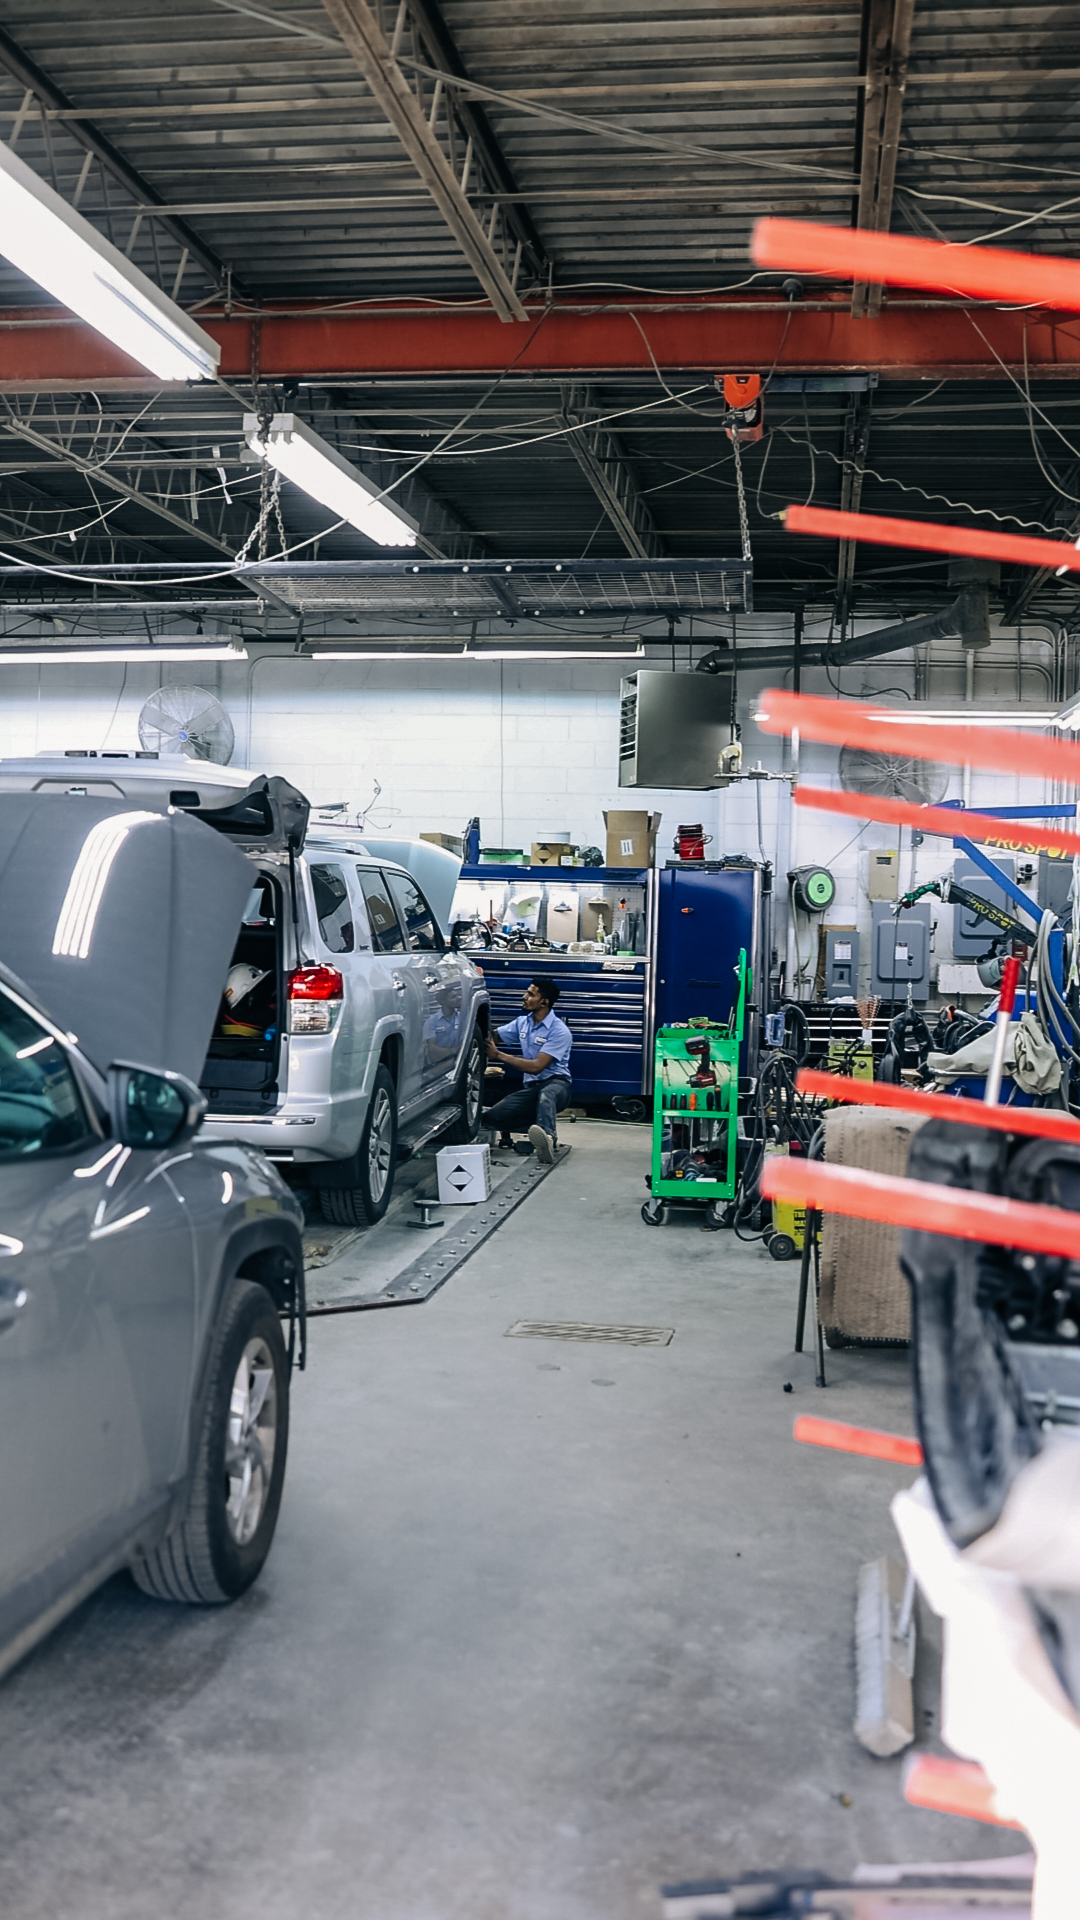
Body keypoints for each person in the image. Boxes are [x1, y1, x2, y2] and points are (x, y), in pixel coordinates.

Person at [484, 976, 572, 1164]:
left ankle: (548, 1140)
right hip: (532, 1089)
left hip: (558, 1085)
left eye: (530, 994)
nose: (524, 997)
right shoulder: (522, 1023)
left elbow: (537, 1066)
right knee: (492, 1117)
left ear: (544, 1002)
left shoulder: (559, 1031)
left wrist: (498, 1055)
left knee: (546, 1095)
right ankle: (535, 1131)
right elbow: (494, 1037)